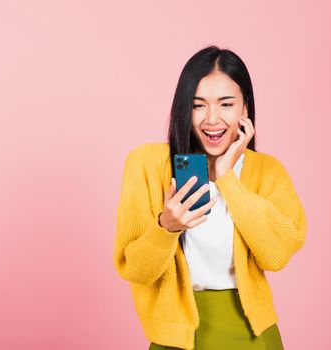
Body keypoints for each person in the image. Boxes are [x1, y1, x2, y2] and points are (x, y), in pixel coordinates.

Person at [113, 45, 307, 350]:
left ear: (245, 109)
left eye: (226, 104)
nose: (212, 119)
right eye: (198, 105)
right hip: (176, 338)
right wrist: (167, 227)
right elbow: (136, 270)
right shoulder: (147, 165)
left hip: (253, 334)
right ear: (183, 109)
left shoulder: (268, 170)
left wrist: (227, 177)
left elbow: (277, 254)